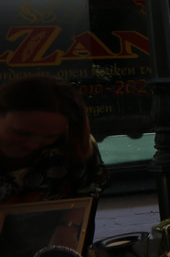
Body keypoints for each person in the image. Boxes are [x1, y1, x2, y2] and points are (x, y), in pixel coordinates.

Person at [0, 75, 109, 205]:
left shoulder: (75, 144)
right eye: (22, 133)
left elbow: (84, 200)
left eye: (50, 136)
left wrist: (68, 220)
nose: (33, 144)